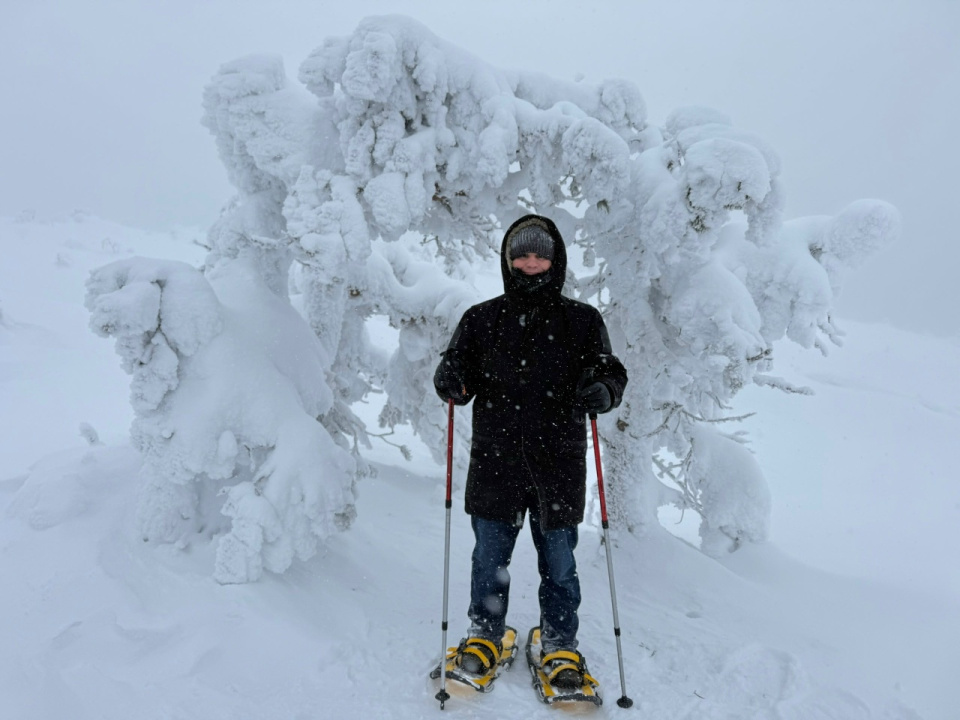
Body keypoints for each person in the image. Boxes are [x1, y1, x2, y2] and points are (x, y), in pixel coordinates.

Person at [433, 213, 628, 689]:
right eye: (522, 255)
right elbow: (456, 369)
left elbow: (610, 370)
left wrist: (604, 389)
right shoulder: (481, 319)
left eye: (541, 254)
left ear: (555, 260)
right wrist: (450, 379)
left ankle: (559, 643)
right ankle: (485, 635)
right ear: (508, 260)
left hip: (557, 466)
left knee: (559, 564)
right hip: (495, 464)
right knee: (489, 560)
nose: (532, 263)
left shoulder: (582, 320)